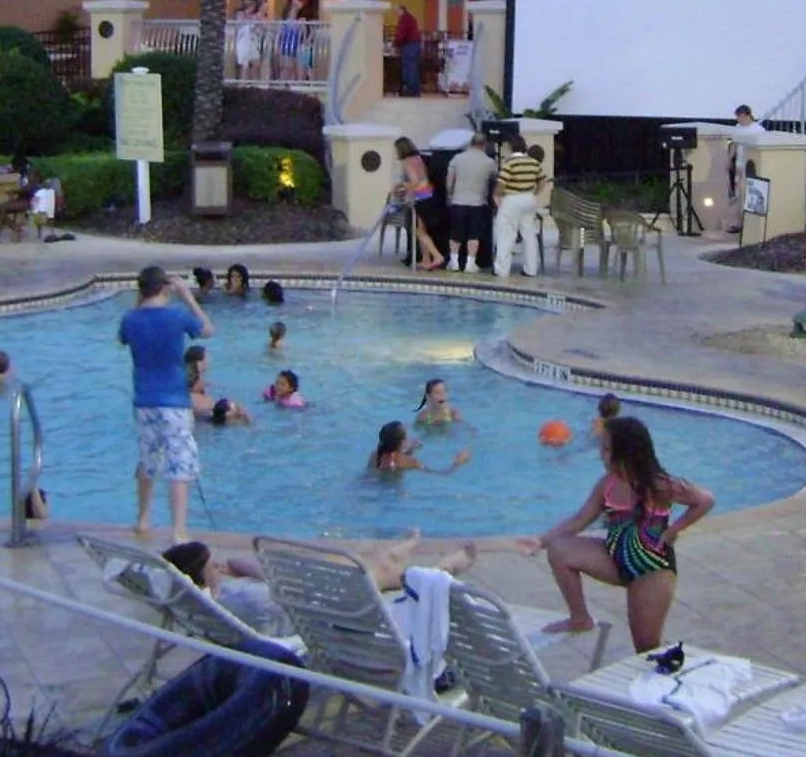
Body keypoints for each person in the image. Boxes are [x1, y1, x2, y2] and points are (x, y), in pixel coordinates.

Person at [527, 416, 714, 652]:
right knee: (560, 550)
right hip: (614, 559)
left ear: (625, 452)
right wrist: (541, 541)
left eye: (606, 449)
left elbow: (705, 500)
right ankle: (580, 618)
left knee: (645, 647)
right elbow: (579, 520)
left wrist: (673, 530)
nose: (600, 455)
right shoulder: (606, 485)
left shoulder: (659, 484)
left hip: (651, 569)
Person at [163, 532, 477, 638]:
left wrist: (228, 571)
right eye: (211, 564)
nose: (217, 567)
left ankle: (409, 558)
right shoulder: (244, 598)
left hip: (308, 609)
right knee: (369, 574)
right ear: (202, 573)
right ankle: (442, 568)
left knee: (369, 571)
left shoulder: (210, 601)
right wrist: (239, 567)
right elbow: (276, 582)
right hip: (323, 621)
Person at [118, 265, 213, 543]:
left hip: (144, 401)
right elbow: (208, 330)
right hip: (174, 401)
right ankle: (179, 530)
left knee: (148, 460)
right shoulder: (177, 316)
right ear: (166, 288)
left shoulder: (130, 319)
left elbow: (122, 338)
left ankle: (143, 519)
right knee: (179, 464)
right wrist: (187, 296)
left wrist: (140, 303)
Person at [492, 142, 548, 279]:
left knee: (506, 234)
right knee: (529, 234)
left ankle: (502, 270)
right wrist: (534, 193)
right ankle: (531, 269)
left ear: (511, 148)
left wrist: (497, 195)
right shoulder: (533, 163)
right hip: (529, 199)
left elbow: (501, 183)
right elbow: (542, 181)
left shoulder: (510, 163)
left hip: (512, 199)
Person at [444, 133, 497, 273]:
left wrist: (449, 195)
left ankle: (454, 262)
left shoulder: (457, 159)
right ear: (484, 144)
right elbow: (494, 181)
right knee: (474, 234)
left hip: (458, 200)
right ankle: (470, 263)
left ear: (470, 143)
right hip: (478, 202)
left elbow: (450, 181)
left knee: (456, 234)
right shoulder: (489, 162)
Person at [392, 137, 444, 271]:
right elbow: (424, 178)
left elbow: (415, 182)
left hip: (421, 198)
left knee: (420, 233)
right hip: (429, 194)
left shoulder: (407, 162)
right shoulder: (418, 158)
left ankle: (437, 256)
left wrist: (402, 187)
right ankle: (426, 260)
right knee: (421, 230)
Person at [370, 420, 471, 474]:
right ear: (401, 443)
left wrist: (409, 451)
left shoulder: (375, 455)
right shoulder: (410, 462)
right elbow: (440, 474)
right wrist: (457, 463)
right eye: (406, 437)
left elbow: (391, 458)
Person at [724, 105, 757, 234]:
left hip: (751, 166)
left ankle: (750, 223)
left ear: (746, 115)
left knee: (749, 194)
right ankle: (739, 223)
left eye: (739, 117)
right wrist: (729, 160)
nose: (738, 119)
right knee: (738, 194)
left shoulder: (758, 130)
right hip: (739, 165)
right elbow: (734, 145)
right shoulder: (738, 129)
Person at [393, 3, 424, 97]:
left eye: (397, 11)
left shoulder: (404, 19)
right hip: (415, 44)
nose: (396, 13)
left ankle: (410, 90)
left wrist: (395, 44)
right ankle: (415, 90)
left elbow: (401, 33)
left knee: (409, 67)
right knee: (413, 67)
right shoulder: (410, 18)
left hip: (409, 45)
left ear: (401, 10)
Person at [184, 344, 210, 418]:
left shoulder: (184, 375)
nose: (208, 362)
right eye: (206, 359)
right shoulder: (197, 382)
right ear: (199, 363)